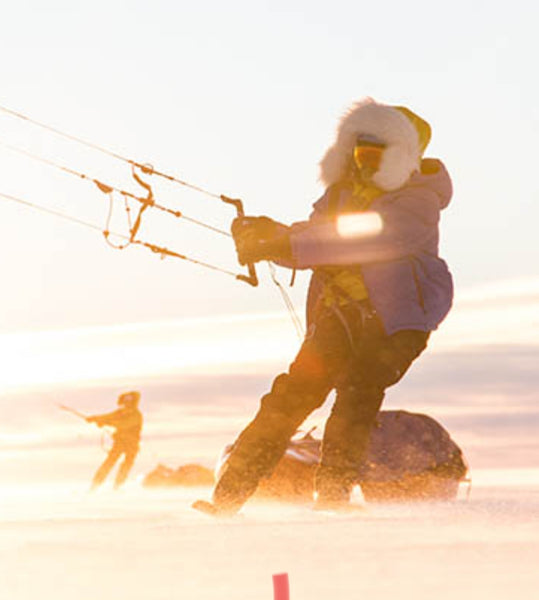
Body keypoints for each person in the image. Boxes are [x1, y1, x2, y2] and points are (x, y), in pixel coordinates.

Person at [201, 97, 453, 516]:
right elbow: (317, 237)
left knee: (356, 397)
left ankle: (333, 502)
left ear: (404, 157)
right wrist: (267, 237)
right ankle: (227, 498)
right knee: (288, 398)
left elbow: (362, 236)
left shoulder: (417, 201)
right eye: (360, 152)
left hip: (394, 326)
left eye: (377, 155)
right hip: (339, 317)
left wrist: (286, 242)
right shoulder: (341, 195)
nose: (365, 164)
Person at [87, 390, 143, 490]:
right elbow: (108, 416)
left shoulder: (136, 415)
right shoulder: (120, 412)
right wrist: (94, 418)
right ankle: (94, 486)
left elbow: (123, 424)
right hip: (120, 443)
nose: (127, 402)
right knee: (109, 463)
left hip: (132, 445)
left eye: (129, 399)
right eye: (126, 399)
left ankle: (117, 487)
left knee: (125, 466)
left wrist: (104, 422)